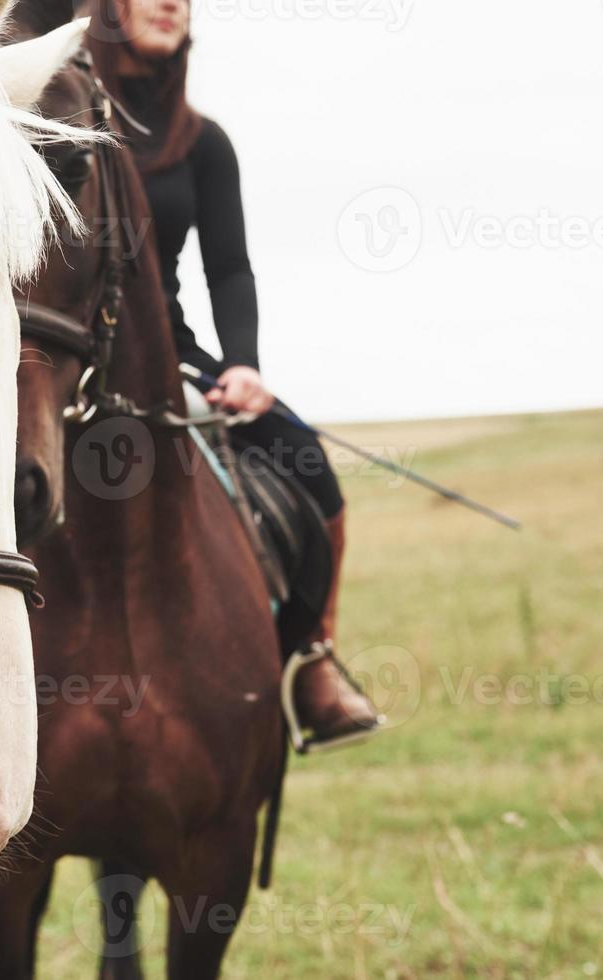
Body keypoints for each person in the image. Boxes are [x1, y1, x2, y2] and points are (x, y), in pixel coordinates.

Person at [87, 0, 382, 749]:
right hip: (55, 352)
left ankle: (313, 660)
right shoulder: (60, 117)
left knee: (309, 464)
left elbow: (229, 268)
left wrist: (245, 366)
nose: (170, 3)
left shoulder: (202, 143)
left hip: (171, 352)